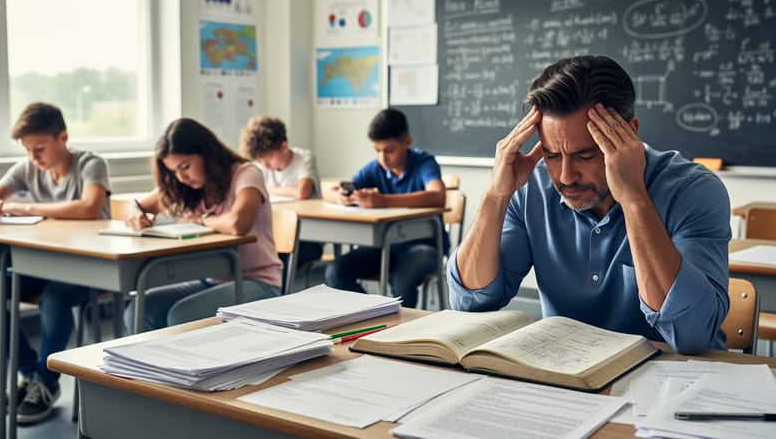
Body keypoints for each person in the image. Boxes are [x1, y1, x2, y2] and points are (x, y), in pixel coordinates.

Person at [447, 55, 731, 354]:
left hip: (674, 377)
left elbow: (692, 334)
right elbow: (470, 304)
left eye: (585, 156)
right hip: (570, 377)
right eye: (553, 155)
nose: (566, 176)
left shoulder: (693, 190)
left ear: (629, 133)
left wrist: (634, 199)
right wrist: (496, 195)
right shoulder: (530, 184)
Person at [0, 102, 111, 424]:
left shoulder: (91, 164)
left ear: (63, 137)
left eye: (40, 148)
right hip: (45, 266)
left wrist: (27, 209)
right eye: (28, 150)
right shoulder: (28, 167)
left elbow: (89, 208)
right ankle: (30, 374)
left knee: (55, 298)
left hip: (92, 268)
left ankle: (46, 383)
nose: (34, 157)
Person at [124, 117, 282, 332]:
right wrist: (135, 214)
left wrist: (200, 219)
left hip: (259, 281)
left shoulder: (246, 174)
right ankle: (156, 365)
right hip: (211, 280)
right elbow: (136, 206)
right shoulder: (187, 186)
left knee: (182, 316)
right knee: (139, 310)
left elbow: (238, 224)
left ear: (207, 154)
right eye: (173, 172)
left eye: (186, 166)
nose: (181, 178)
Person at [324, 108, 449, 308]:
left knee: (401, 279)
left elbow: (438, 196)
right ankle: (372, 315)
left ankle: (402, 333)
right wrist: (339, 197)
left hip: (425, 247)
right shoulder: (375, 168)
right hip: (385, 247)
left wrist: (385, 200)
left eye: (389, 150)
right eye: (377, 150)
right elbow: (330, 190)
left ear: (407, 142)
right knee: (336, 271)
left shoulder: (424, 162)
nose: (383, 158)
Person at [239, 115, 324, 267]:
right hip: (274, 234)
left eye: (269, 157)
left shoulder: (304, 158)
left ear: (284, 146)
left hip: (307, 238)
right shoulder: (262, 166)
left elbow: (302, 192)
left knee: (274, 257)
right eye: (261, 159)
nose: (265, 164)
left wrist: (267, 189)